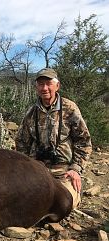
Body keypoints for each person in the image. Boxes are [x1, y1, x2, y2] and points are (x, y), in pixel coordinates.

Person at [15, 68, 92, 209]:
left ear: (57, 86)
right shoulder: (31, 112)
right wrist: (26, 166)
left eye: (48, 83)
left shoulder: (70, 108)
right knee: (20, 200)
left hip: (64, 170)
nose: (44, 88)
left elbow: (84, 141)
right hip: (37, 169)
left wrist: (75, 168)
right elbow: (21, 142)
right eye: (40, 84)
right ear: (36, 87)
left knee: (64, 202)